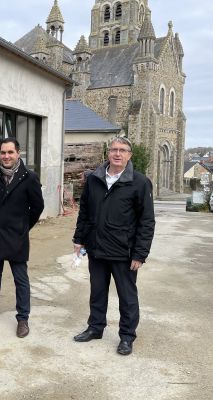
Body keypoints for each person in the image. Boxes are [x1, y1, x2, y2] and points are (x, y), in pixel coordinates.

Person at [72, 136, 155, 355]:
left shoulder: (140, 182)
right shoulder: (94, 179)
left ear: (130, 155)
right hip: (97, 248)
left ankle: (127, 336)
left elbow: (147, 221)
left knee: (127, 297)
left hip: (124, 252)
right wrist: (79, 239)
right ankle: (95, 327)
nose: (117, 154)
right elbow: (85, 212)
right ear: (108, 153)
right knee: (97, 292)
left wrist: (140, 253)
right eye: (114, 149)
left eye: (123, 150)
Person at [0, 138, 44, 338]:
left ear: (18, 153)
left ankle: (23, 318)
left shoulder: (29, 178)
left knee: (21, 279)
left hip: (17, 237)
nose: (6, 156)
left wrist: (23, 227)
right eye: (3, 152)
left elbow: (37, 207)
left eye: (10, 152)